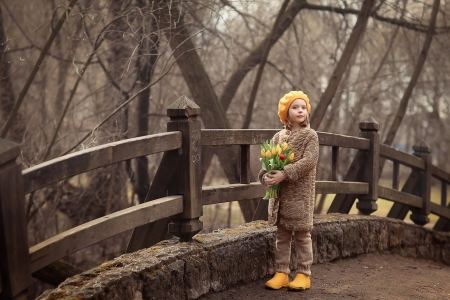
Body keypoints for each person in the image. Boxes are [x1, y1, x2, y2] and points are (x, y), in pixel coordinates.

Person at [259, 91, 319, 291]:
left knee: (302, 235)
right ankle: (282, 272)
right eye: (295, 107)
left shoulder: (310, 136)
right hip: (280, 197)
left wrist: (284, 173)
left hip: (300, 195)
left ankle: (303, 273)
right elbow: (269, 162)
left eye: (303, 107)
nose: (300, 110)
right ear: (286, 112)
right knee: (282, 236)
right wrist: (265, 176)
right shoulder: (278, 137)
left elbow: (309, 162)